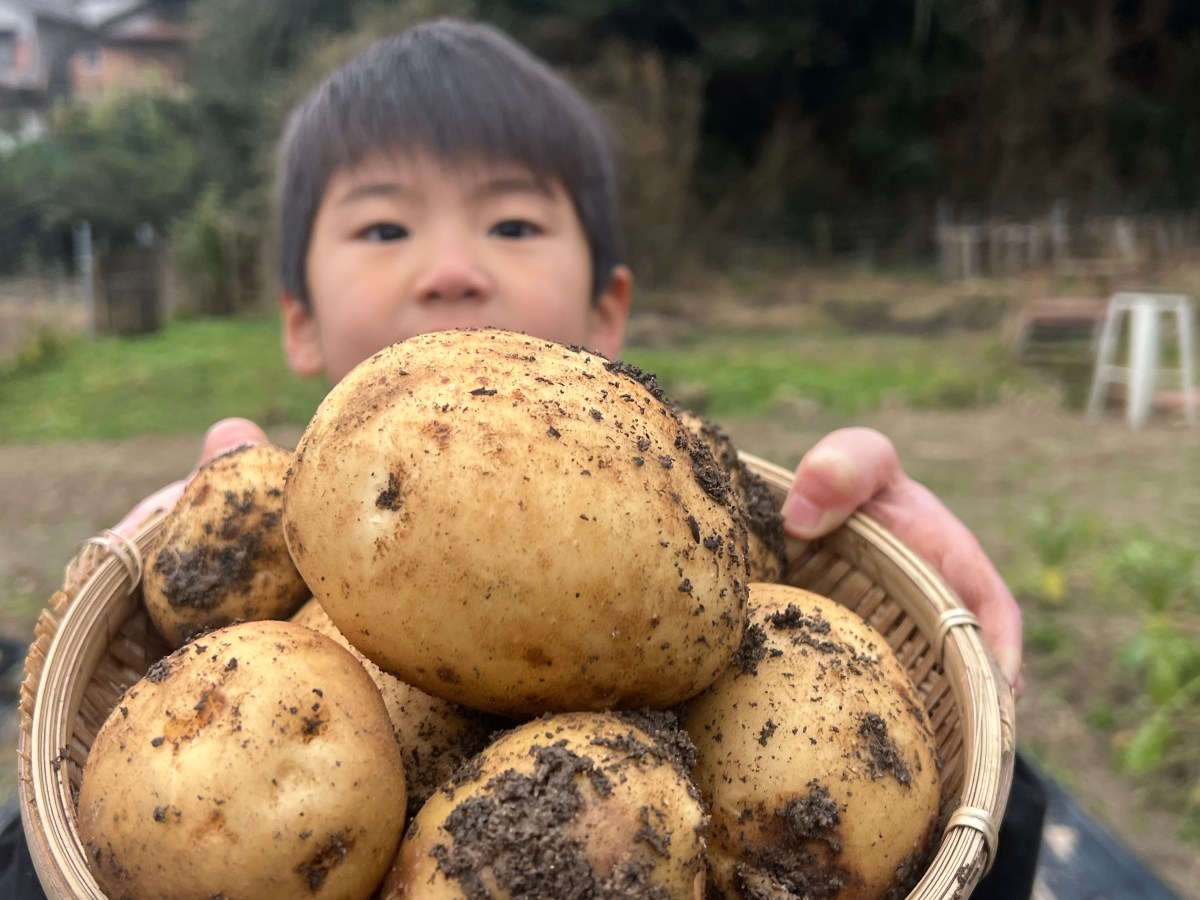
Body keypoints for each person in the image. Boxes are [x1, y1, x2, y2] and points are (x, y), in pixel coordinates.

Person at [1, 18, 1040, 898]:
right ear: (297, 321)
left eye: (511, 222)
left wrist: (988, 738)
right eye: (383, 228)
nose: (452, 270)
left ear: (605, 320)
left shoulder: (692, 517)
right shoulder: (277, 540)